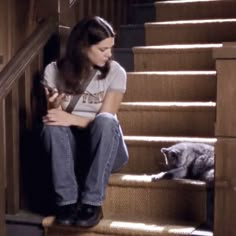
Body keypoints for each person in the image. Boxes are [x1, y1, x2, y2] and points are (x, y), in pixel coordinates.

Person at [40, 16, 129, 228]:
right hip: (72, 150)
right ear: (82, 47)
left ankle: (92, 202)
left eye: (110, 48)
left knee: (106, 121)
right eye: (102, 49)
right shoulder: (53, 71)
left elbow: (106, 120)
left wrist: (71, 118)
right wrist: (54, 107)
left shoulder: (116, 72)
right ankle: (67, 203)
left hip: (105, 149)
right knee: (51, 127)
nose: (109, 55)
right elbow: (56, 119)